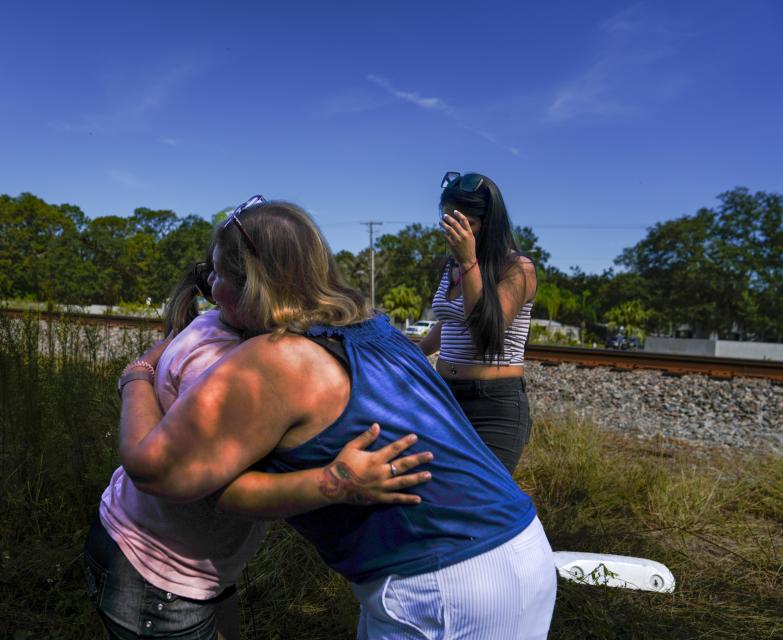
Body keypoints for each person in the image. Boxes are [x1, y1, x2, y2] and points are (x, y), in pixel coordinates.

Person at [118, 196, 556, 639]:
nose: (210, 287)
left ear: (253, 283)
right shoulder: (375, 329)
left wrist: (137, 376)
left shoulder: (278, 359)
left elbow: (154, 469)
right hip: (517, 546)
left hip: (444, 587)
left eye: (219, 274)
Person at [85, 247, 430, 640]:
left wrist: (139, 370)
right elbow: (213, 492)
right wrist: (338, 481)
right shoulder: (226, 367)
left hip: (167, 557)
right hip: (159, 574)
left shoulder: (222, 324)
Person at [418, 172, 538, 475]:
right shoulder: (453, 267)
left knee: (481, 503)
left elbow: (487, 330)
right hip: (445, 395)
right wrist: (412, 353)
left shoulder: (516, 268)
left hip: (493, 404)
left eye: (464, 224)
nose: (454, 232)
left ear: (488, 224)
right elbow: (450, 322)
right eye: (448, 222)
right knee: (438, 494)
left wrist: (469, 262)